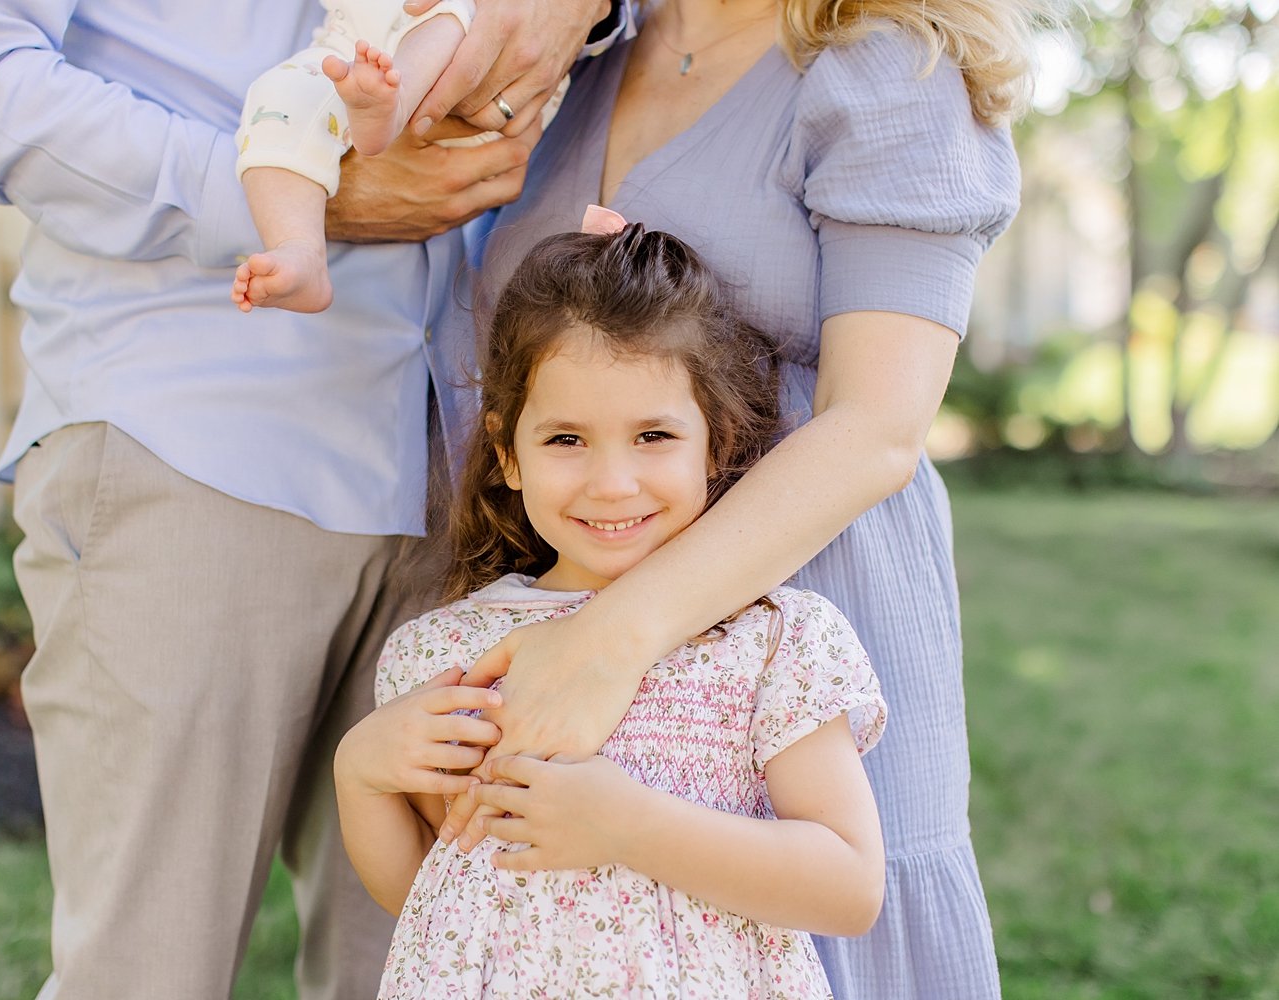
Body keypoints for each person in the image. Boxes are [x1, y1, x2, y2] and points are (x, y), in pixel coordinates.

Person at [0, 0, 622, 997]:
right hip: (198, 432)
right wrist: (285, 190)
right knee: (150, 974)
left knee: (435, 963)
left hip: (469, 451)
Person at [435, 2, 1053, 997]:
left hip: (804, 621)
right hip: (570, 627)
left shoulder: (889, 68)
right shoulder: (580, 59)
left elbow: (876, 429)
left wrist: (609, 641)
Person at [336, 213, 890, 998]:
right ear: (507, 453)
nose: (611, 483)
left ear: (720, 444)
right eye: (566, 439)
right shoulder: (450, 653)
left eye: (654, 436)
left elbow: (849, 886)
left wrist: (629, 825)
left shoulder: (773, 642)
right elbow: (435, 900)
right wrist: (359, 773)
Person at [229, 0, 569, 312]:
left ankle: (395, 104)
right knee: (279, 98)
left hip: (472, 61)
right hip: (349, 49)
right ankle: (299, 247)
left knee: (450, 14)